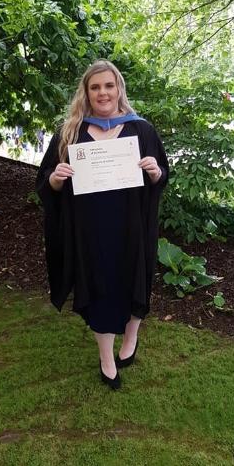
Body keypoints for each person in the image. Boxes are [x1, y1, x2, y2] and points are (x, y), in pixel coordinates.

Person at [36, 59, 169, 390]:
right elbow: (45, 183)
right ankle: (106, 359)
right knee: (98, 289)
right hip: (91, 231)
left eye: (108, 85)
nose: (102, 92)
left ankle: (131, 338)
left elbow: (161, 176)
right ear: (86, 92)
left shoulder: (142, 130)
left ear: (119, 88)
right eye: (95, 87)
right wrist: (55, 178)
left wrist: (155, 172)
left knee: (134, 280)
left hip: (132, 227)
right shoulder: (71, 133)